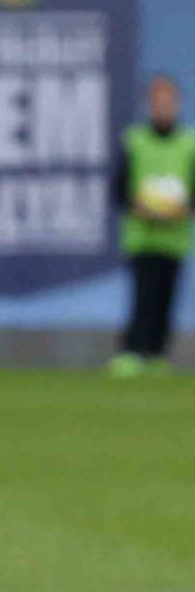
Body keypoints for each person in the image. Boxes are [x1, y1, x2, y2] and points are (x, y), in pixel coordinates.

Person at [109, 74, 195, 377]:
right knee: (143, 296)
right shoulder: (135, 141)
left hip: (174, 237)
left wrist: (182, 210)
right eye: (158, 101)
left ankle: (157, 353)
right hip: (142, 236)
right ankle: (133, 351)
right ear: (149, 104)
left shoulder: (189, 144)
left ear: (177, 104)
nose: (163, 107)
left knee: (166, 299)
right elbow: (119, 189)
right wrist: (141, 207)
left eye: (168, 101)